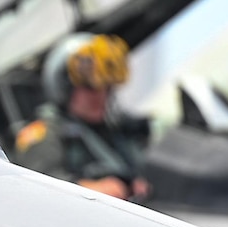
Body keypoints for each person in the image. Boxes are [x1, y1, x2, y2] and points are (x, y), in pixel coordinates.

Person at [10, 32, 150, 200]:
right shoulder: (44, 134)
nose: (100, 96)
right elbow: (36, 189)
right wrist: (90, 190)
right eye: (90, 88)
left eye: (106, 88)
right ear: (65, 87)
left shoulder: (113, 133)